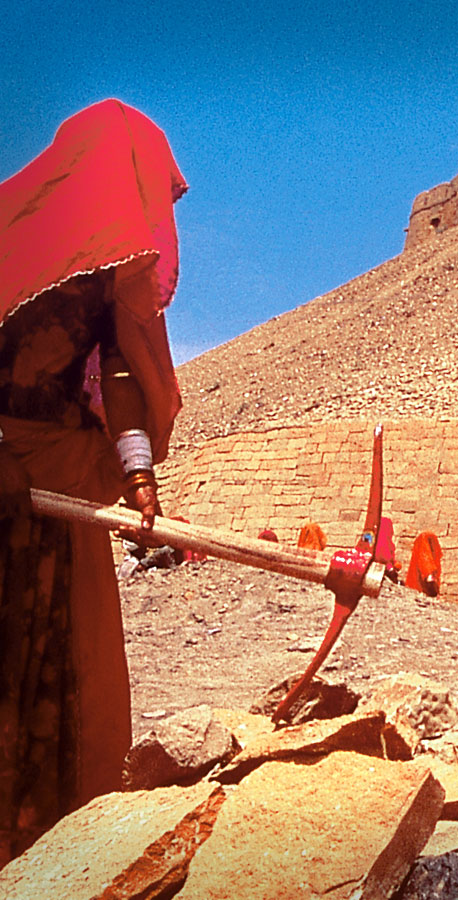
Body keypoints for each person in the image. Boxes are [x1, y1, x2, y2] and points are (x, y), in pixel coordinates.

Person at [0, 99, 186, 863]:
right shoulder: (14, 235)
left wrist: (138, 475)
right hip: (7, 473)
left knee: (61, 653)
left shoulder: (110, 271)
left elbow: (122, 375)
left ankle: (45, 832)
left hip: (58, 487)